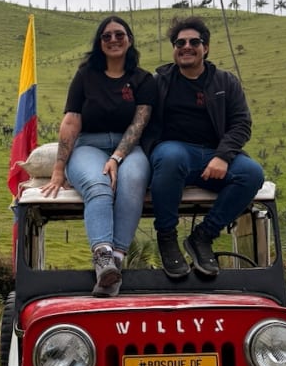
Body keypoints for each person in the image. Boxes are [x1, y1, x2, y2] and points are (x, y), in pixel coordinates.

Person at [41, 16, 155, 296]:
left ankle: (114, 264)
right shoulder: (85, 76)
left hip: (128, 148)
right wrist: (58, 169)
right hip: (88, 145)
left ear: (129, 39)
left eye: (119, 34)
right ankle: (103, 258)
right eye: (107, 36)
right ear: (99, 43)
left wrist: (116, 157)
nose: (114, 40)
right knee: (98, 184)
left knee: (134, 180)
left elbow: (138, 125)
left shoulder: (143, 79)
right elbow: (71, 121)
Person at [147, 15, 264, 278]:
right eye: (180, 42)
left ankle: (203, 236)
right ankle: (167, 237)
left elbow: (242, 124)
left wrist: (223, 156)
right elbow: (139, 120)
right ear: (174, 49)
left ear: (206, 47)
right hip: (172, 156)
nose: (186, 46)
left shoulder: (225, 82)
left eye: (194, 42)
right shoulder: (159, 82)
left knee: (252, 174)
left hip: (215, 155)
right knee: (170, 156)